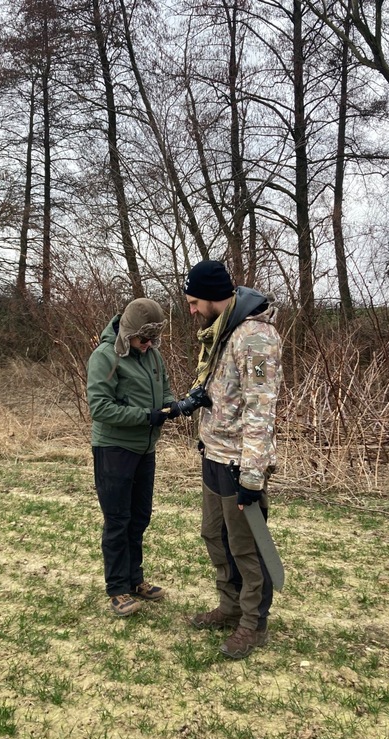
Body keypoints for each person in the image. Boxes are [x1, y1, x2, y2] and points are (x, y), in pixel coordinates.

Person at [178, 259, 283, 659]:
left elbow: (261, 410)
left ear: (211, 296)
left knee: (246, 547)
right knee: (214, 535)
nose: (191, 310)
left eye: (193, 302)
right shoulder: (224, 331)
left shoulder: (255, 338)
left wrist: (252, 477)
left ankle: (253, 624)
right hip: (214, 452)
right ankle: (229, 605)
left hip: (240, 462)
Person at [86, 297, 177, 617]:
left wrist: (171, 406)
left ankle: (135, 579)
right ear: (128, 332)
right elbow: (100, 407)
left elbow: (164, 390)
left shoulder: (153, 355)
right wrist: (146, 416)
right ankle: (117, 589)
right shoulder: (104, 356)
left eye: (153, 338)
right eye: (143, 337)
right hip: (114, 449)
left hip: (144, 449)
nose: (148, 343)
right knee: (117, 521)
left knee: (139, 518)